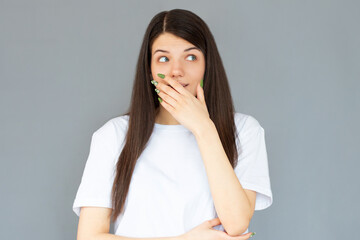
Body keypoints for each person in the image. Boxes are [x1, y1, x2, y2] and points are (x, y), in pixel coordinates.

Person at [72, 8, 273, 240]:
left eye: (191, 57)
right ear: (150, 69)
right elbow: (89, 237)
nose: (176, 71)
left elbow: (237, 223)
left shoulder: (245, 130)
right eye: (164, 59)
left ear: (207, 65)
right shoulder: (114, 135)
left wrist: (204, 128)